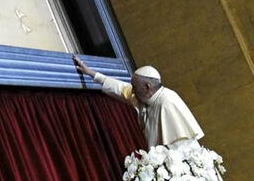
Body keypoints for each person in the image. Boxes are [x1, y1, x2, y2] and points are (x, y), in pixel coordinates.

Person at [72, 55, 204, 149]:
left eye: (135, 87)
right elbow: (121, 88)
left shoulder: (167, 101)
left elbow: (180, 145)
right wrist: (92, 74)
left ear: (147, 87)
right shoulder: (143, 97)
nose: (132, 91)